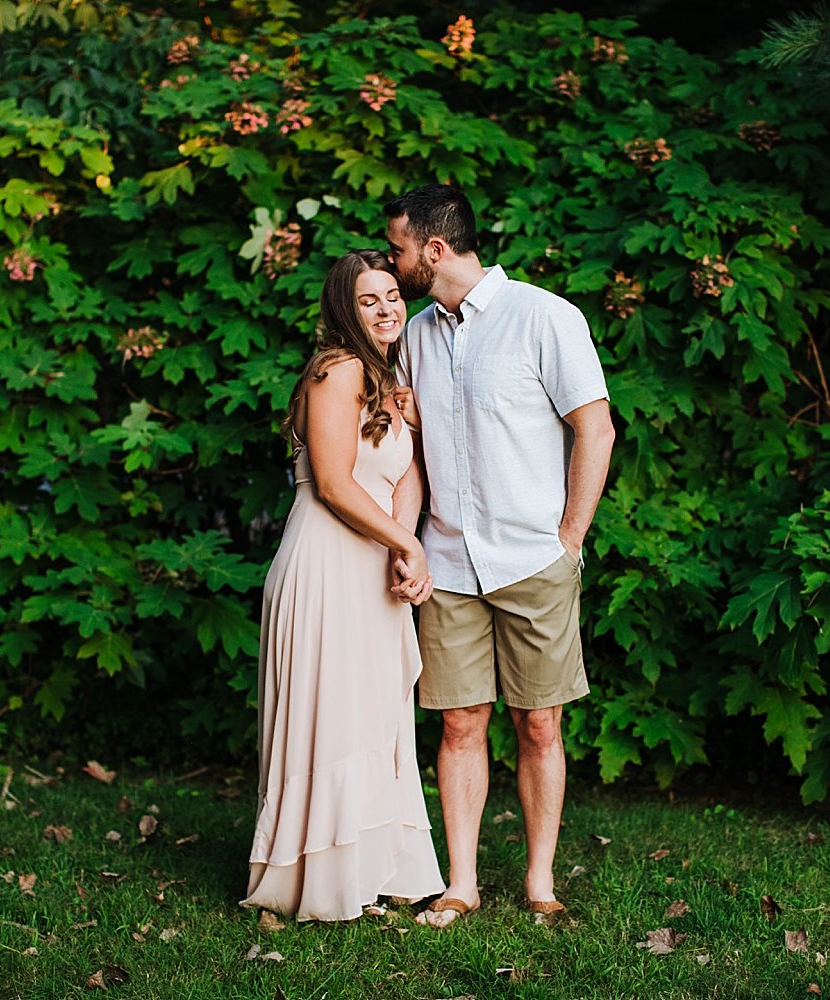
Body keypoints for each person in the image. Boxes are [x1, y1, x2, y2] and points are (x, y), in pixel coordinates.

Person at [383, 185, 615, 926]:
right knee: (459, 724)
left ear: (436, 250)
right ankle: (462, 884)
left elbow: (596, 429)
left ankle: (541, 884)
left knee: (539, 725)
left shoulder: (545, 317)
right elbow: (409, 447)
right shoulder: (416, 334)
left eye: (398, 248)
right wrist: (408, 540)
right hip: (446, 563)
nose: (394, 261)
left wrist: (570, 537)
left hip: (531, 560)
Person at [242, 249, 447, 922]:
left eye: (393, 294)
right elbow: (333, 483)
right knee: (332, 721)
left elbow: (403, 476)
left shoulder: (390, 381)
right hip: (325, 565)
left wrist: (403, 551)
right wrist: (406, 543)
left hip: (372, 569)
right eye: (369, 300)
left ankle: (375, 870)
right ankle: (320, 880)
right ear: (344, 310)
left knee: (375, 718)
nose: (388, 308)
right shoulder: (338, 371)